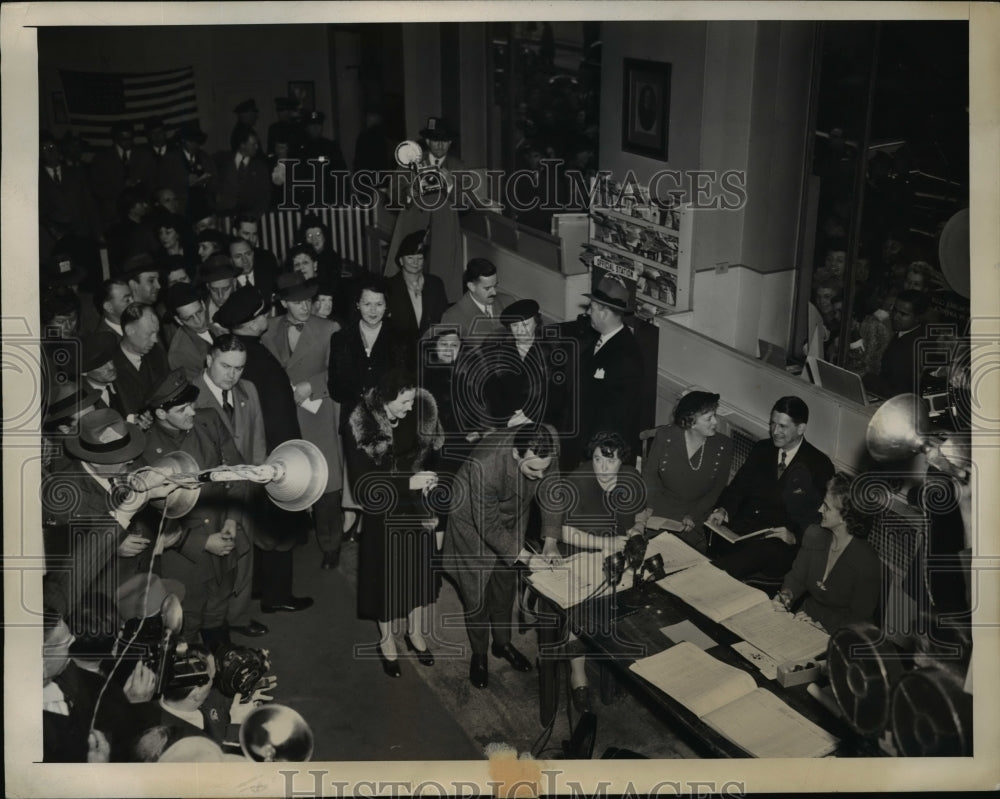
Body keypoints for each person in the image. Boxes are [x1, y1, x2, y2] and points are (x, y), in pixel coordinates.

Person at [140, 369, 257, 649]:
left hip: (224, 536)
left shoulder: (209, 421)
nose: (192, 412)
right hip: (184, 560)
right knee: (186, 625)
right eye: (182, 409)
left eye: (191, 404)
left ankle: (223, 662)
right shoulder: (145, 449)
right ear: (160, 414)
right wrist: (203, 543)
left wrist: (231, 519)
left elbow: (235, 470)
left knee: (218, 611)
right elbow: (149, 518)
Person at [214, 286, 313, 615]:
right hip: (275, 457)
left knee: (263, 525)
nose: (267, 318)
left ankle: (260, 587)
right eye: (261, 314)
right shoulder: (253, 357)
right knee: (280, 527)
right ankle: (277, 596)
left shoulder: (249, 352)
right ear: (250, 321)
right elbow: (269, 417)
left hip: (267, 454)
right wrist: (287, 462)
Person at [444, 423, 562, 689]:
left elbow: (552, 488)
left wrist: (551, 542)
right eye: (534, 469)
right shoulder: (485, 465)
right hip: (471, 523)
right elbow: (489, 526)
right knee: (477, 592)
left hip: (514, 513)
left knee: (504, 584)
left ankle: (501, 643)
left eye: (544, 468)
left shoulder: (548, 442)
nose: (540, 475)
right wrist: (529, 558)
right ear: (516, 454)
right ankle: (479, 654)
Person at [343, 369, 443, 677]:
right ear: (385, 399)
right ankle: (386, 640)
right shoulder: (361, 425)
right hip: (383, 511)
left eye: (413, 400)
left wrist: (427, 480)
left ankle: (414, 633)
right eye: (404, 401)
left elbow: (425, 457)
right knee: (386, 577)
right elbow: (363, 485)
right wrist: (408, 483)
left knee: (418, 572)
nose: (410, 407)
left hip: (415, 508)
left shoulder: (414, 416)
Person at [556, 430, 645, 711]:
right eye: (597, 459)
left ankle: (618, 663)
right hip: (579, 554)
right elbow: (562, 531)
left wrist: (638, 528)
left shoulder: (631, 477)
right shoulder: (577, 482)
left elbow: (643, 510)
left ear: (622, 461)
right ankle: (578, 675)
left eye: (611, 461)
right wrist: (602, 543)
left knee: (636, 598)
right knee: (580, 610)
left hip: (617, 555)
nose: (603, 468)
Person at [261, 273, 345, 569]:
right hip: (283, 417)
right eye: (297, 303)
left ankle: (332, 544)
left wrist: (313, 384)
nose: (305, 307)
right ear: (283, 303)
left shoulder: (329, 328)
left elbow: (342, 371)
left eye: (308, 300)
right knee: (290, 477)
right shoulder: (267, 329)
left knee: (327, 487)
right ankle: (295, 534)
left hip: (318, 415)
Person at [709, 396, 835, 581]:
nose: (775, 431)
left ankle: (707, 579)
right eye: (772, 424)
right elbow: (738, 486)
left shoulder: (819, 465)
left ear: (801, 428)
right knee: (712, 526)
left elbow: (818, 517)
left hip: (779, 543)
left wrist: (794, 537)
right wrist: (723, 509)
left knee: (756, 555)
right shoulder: (762, 449)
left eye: (783, 426)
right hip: (745, 531)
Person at [192, 334, 267, 638]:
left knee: (244, 556)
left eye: (239, 368)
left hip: (242, 490)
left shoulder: (248, 389)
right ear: (209, 360)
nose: (232, 375)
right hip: (209, 498)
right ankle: (209, 624)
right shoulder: (191, 397)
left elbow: (257, 440)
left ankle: (238, 617)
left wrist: (257, 483)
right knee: (211, 565)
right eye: (226, 366)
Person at [774, 473, 881, 633]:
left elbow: (859, 618)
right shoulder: (814, 535)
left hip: (843, 633)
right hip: (805, 617)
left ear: (845, 517)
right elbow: (797, 579)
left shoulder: (867, 561)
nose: (819, 509)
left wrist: (825, 629)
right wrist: (786, 595)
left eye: (826, 506)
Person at [386, 117, 468, 300]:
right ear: (428, 141)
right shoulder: (410, 160)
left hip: (444, 233)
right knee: (406, 285)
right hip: (412, 226)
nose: (440, 145)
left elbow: (465, 203)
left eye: (445, 140)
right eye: (436, 139)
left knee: (441, 285)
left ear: (451, 142)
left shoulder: (457, 166)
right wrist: (410, 192)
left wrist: (451, 186)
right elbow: (392, 195)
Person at [642, 391, 733, 552]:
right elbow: (650, 474)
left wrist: (694, 514)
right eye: (709, 418)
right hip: (660, 506)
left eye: (715, 416)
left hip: (693, 513)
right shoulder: (665, 436)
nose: (715, 422)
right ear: (691, 421)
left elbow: (717, 489)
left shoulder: (723, 445)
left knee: (682, 556)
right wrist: (650, 505)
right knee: (648, 551)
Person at [572, 275, 644, 466]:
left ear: (603, 313)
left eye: (591, 308)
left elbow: (615, 415)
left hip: (600, 450)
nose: (587, 313)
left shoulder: (625, 355)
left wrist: (591, 453)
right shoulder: (600, 337)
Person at [464, 298, 554, 433]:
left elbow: (555, 393)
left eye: (525, 324)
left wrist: (529, 418)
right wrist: (508, 418)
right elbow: (491, 388)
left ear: (536, 322)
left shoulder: (551, 350)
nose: (520, 330)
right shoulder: (497, 349)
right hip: (505, 421)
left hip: (540, 420)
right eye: (515, 326)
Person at [384, 229, 449, 358]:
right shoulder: (389, 286)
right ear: (401, 261)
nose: (415, 262)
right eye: (410, 257)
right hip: (400, 352)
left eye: (419, 258)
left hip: (430, 349)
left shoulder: (435, 283)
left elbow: (442, 316)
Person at [863, 288, 931, 398]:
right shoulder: (908, 332)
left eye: (903, 314)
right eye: (894, 310)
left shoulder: (912, 348)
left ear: (918, 318)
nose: (895, 317)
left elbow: (898, 392)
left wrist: (866, 378)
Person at [439, 258, 514, 345]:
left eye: (495, 286)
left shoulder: (509, 302)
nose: (494, 292)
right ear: (471, 286)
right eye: (487, 288)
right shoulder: (452, 317)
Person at [113, 303, 169, 418]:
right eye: (149, 334)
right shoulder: (111, 367)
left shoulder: (157, 354)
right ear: (129, 330)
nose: (155, 340)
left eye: (157, 333)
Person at [166, 283, 215, 382]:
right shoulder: (179, 354)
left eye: (199, 312)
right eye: (189, 318)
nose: (198, 321)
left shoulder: (216, 327)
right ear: (178, 320)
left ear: (203, 305)